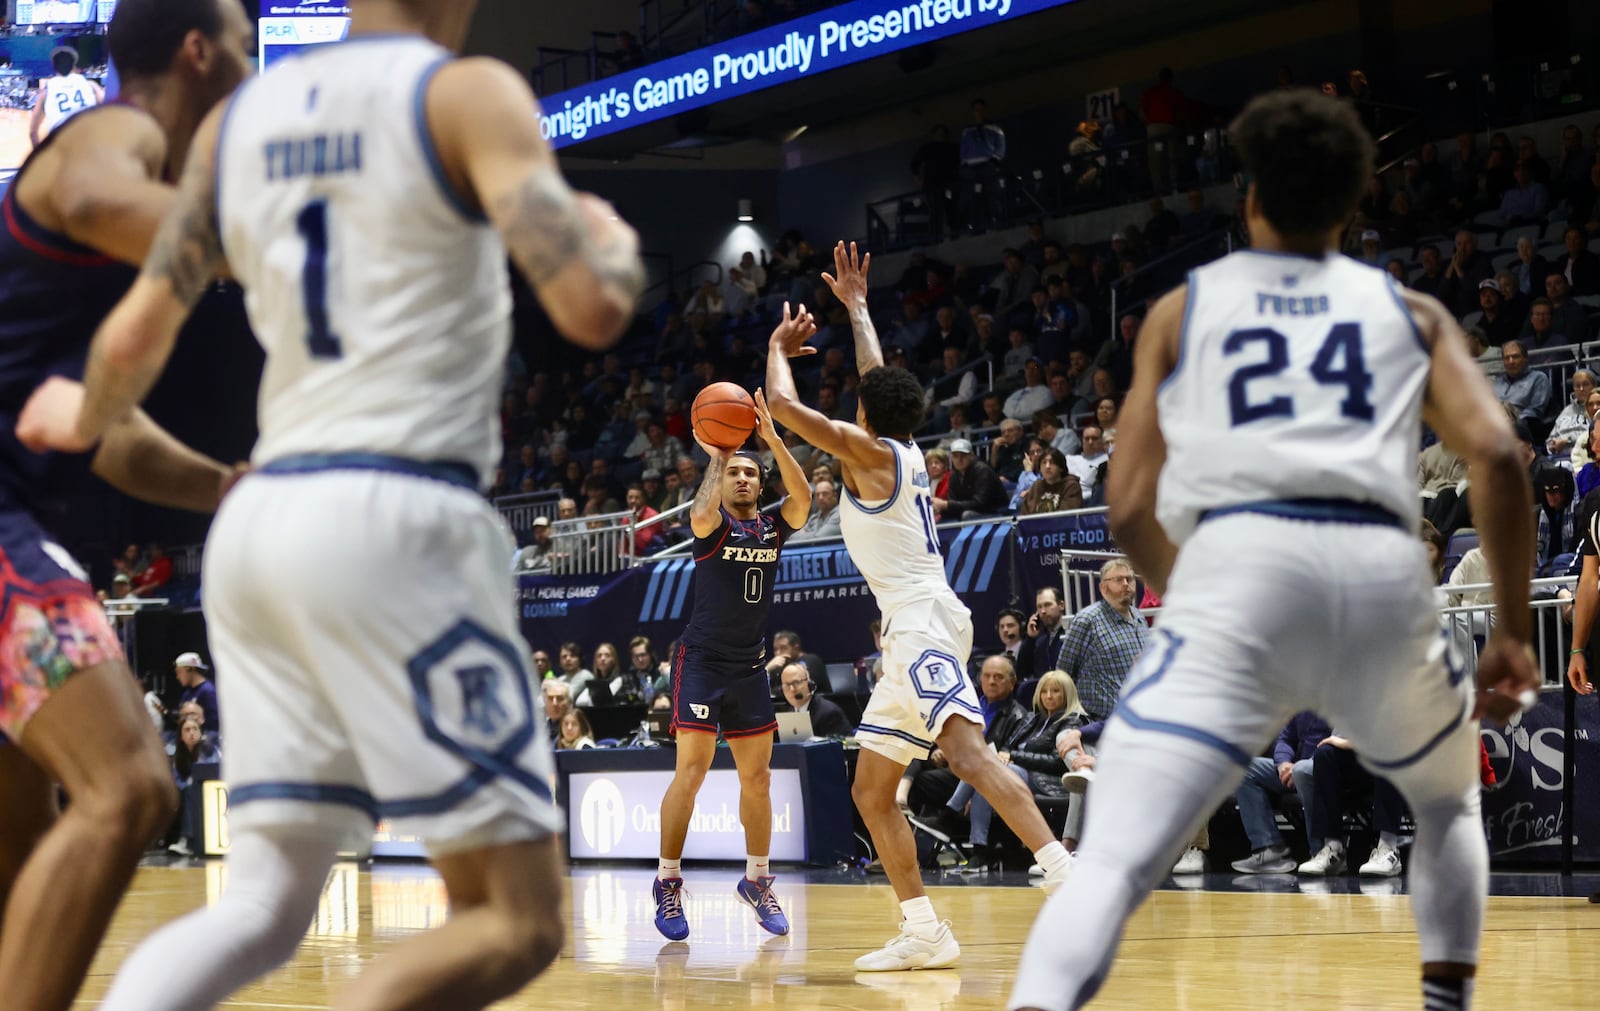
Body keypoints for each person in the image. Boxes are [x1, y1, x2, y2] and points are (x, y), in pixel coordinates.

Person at [21, 1, 646, 1008]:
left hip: (259, 524)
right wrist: (605, 237)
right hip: (396, 514)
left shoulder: (237, 123)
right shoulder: (465, 94)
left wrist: (83, 410)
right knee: (516, 919)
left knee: (262, 903)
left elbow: (136, 335)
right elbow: (591, 305)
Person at [1009, 89, 1536, 1011]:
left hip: (1237, 576)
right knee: (1448, 803)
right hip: (1377, 573)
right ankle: (1446, 1000)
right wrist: (1518, 631)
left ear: (1250, 198)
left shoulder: (1182, 310)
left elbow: (1128, 503)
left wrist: (1196, 592)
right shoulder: (1408, 312)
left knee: (1112, 868)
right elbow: (1495, 453)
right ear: (1352, 206)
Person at [0, 3, 254, 1008]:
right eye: (239, 35)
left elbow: (106, 430)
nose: (248, 56)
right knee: (135, 786)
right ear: (198, 50)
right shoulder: (121, 134)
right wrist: (269, 243)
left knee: (22, 855)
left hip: (24, 513)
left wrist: (224, 486)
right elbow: (107, 198)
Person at [767, 241, 1074, 973]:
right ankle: (924, 930)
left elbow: (782, 406)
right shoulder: (898, 440)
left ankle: (1067, 871)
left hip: (919, 621)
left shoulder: (866, 451)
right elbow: (878, 377)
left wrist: (780, 347)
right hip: (915, 620)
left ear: (866, 413)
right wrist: (857, 307)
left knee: (967, 752)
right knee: (872, 789)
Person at [652, 376, 811, 942]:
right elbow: (698, 511)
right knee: (690, 772)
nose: (742, 477)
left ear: (760, 485)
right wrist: (719, 456)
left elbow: (805, 500)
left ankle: (757, 880)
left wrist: (771, 438)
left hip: (748, 667)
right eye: (735, 472)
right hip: (701, 661)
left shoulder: (771, 526)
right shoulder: (711, 523)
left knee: (758, 779)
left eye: (750, 472)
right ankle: (668, 879)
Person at [29, 45, 104, 148]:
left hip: (62, 147)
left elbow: (33, 133)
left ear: (54, 66)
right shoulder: (91, 85)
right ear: (74, 66)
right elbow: (110, 111)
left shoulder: (46, 91)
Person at [778, 661, 852, 737]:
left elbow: (840, 745)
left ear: (809, 684)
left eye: (796, 682)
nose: (792, 689)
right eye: (787, 685)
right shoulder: (784, 714)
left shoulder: (829, 713)